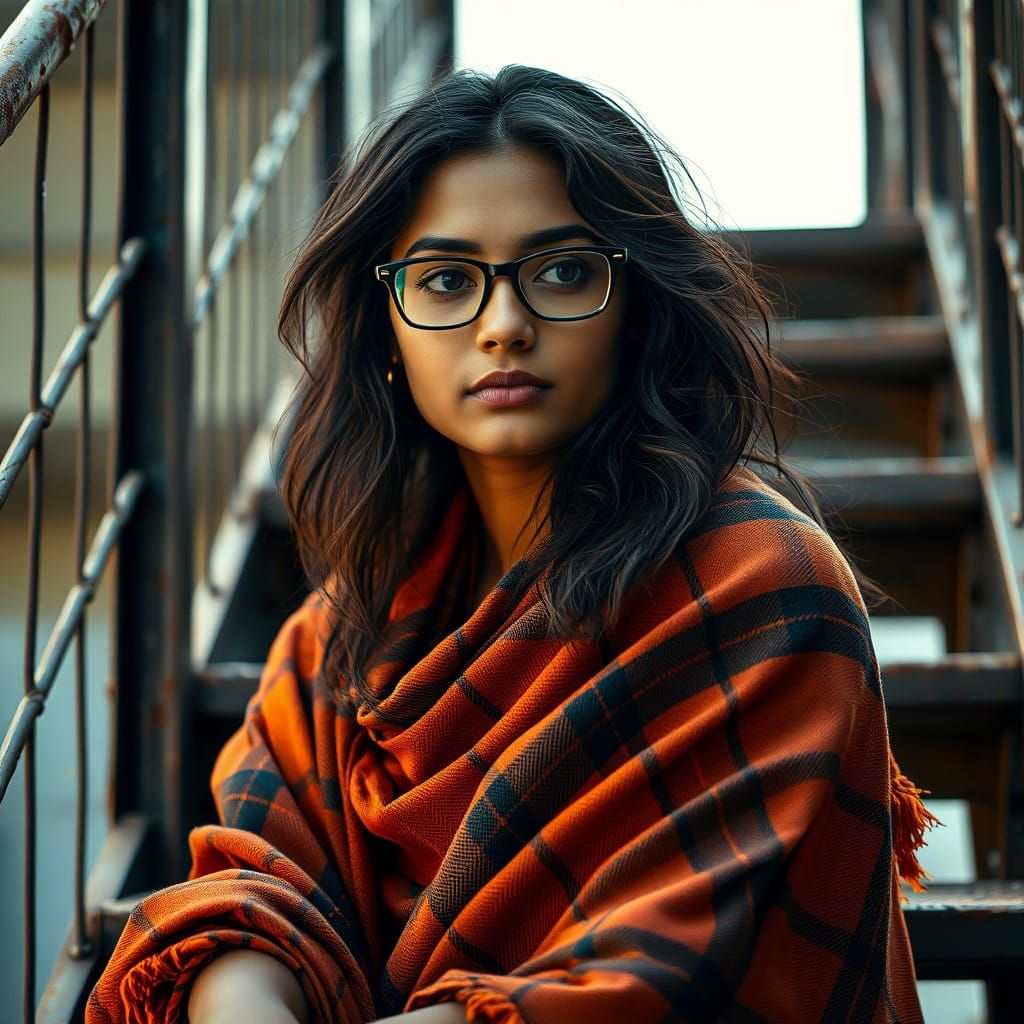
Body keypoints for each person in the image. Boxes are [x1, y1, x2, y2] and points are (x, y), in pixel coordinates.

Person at [87, 65, 938, 1024]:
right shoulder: (339, 640)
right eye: (447, 281)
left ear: (636, 304)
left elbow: (642, 982)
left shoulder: (763, 585)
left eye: (564, 271)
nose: (503, 326)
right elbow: (252, 895)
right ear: (388, 330)